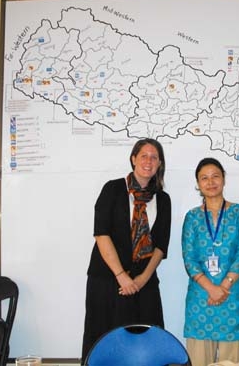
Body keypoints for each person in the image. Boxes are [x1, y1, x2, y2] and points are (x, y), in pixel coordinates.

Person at [81, 138, 171, 363]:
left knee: (147, 343)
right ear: (133, 159)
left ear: (159, 163)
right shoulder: (112, 189)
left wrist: (140, 280)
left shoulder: (163, 199)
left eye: (154, 157)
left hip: (145, 282)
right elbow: (101, 234)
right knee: (105, 342)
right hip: (107, 280)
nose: (148, 161)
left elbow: (161, 246)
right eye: (144, 156)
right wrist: (122, 276)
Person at [182, 157, 239, 366]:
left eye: (215, 176)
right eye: (204, 178)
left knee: (235, 362)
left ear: (223, 179)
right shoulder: (192, 217)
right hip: (201, 299)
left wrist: (223, 286)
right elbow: (189, 259)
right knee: (198, 360)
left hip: (232, 296)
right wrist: (211, 289)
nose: (210, 182)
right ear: (198, 183)